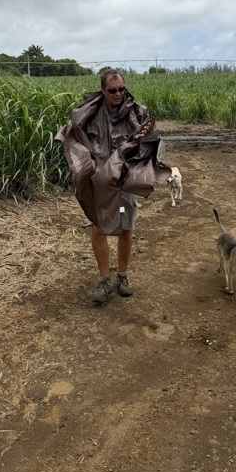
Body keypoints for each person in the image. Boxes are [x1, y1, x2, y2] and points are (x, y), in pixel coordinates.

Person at [56, 69, 171, 303]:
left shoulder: (137, 113)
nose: (118, 94)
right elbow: (77, 137)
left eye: (121, 89)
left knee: (124, 226)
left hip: (123, 183)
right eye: (112, 90)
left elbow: (150, 141)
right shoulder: (90, 114)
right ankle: (104, 280)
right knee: (98, 228)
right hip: (100, 183)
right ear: (103, 91)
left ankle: (122, 276)